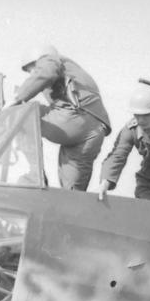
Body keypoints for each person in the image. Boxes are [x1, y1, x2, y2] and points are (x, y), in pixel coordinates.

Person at [11, 45, 111, 191]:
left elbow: (46, 72)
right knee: (72, 193)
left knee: (23, 112)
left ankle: (35, 175)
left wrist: (16, 99)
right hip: (94, 132)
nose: (32, 74)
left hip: (75, 119)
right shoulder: (72, 69)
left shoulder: (50, 60)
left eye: (31, 69)